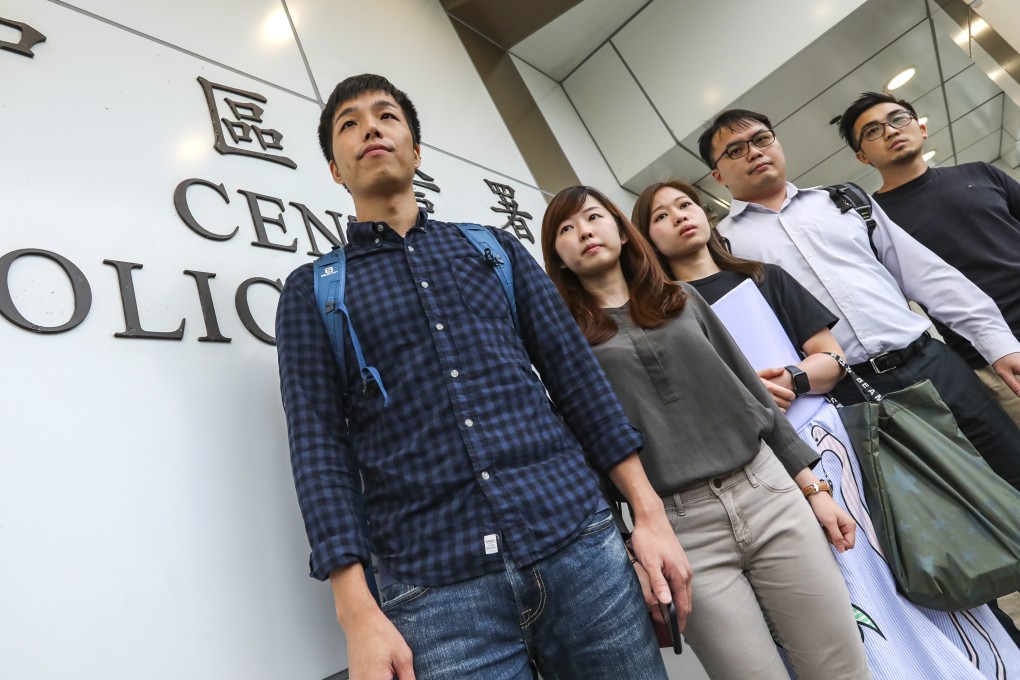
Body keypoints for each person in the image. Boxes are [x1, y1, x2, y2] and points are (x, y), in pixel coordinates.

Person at [275, 74, 691, 680]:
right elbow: (318, 450)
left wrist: (649, 517)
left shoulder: (493, 250)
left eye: (387, 116)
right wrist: (356, 614)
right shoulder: (312, 292)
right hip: (436, 595)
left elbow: (578, 382)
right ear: (335, 170)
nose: (370, 127)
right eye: (349, 124)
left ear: (415, 151)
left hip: (579, 545)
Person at [632, 179, 1020, 678]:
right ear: (645, 238)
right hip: (751, 470)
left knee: (889, 556)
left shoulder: (764, 277)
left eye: (685, 204)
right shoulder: (657, 312)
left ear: (707, 215)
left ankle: (981, 664)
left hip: (823, 442)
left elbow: (831, 357)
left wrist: (792, 377)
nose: (679, 216)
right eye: (660, 216)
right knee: (827, 592)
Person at [541, 185, 871, 680]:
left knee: (839, 667)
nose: (584, 231)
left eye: (592, 217)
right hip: (678, 528)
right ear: (558, 259)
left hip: (768, 492)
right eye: (566, 229)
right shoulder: (562, 346)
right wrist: (629, 548)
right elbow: (588, 452)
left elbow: (753, 397)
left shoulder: (683, 298)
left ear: (623, 232)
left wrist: (813, 488)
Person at [699, 108, 1020, 492]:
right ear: (718, 175)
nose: (754, 152)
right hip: (852, 394)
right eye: (735, 150)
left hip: (931, 364)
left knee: (1010, 464)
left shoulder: (844, 201)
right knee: (937, 510)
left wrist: (999, 347)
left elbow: (931, 278)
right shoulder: (724, 248)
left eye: (762, 139)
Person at [838, 91, 1020, 426]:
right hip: (990, 358)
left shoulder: (980, 173)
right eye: (873, 130)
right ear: (862, 156)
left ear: (920, 129)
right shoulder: (872, 223)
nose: (891, 131)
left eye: (897, 119)